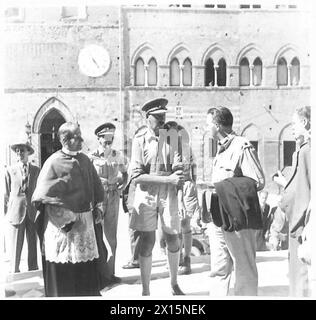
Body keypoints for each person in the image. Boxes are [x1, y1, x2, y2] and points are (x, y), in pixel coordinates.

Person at [32, 122, 104, 297]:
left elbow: (96, 188)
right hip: (62, 227)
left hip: (84, 226)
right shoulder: (53, 163)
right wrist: (65, 217)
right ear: (65, 140)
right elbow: (42, 197)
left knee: (84, 276)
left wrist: (98, 207)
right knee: (63, 276)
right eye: (77, 137)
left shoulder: (85, 160)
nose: (81, 140)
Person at [206, 106, 265, 296]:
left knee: (244, 268)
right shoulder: (221, 149)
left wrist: (224, 187)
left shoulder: (241, 145)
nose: (207, 129)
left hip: (237, 217)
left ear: (217, 126)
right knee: (218, 269)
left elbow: (257, 181)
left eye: (208, 125)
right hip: (218, 217)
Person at [128, 97, 185, 296]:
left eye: (163, 118)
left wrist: (178, 184)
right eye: (157, 118)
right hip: (147, 196)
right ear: (147, 119)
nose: (161, 122)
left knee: (173, 238)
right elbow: (137, 177)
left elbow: (179, 169)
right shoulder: (139, 141)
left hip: (168, 196)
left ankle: (174, 283)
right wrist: (168, 180)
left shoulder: (173, 138)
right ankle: (145, 290)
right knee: (147, 241)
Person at [273, 106, 311, 297]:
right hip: (297, 221)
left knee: (302, 280)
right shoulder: (303, 150)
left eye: (294, 124)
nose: (292, 129)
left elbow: (306, 190)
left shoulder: (307, 151)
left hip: (302, 223)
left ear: (304, 122)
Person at [90, 122, 128, 284]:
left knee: (111, 236)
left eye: (110, 140)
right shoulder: (91, 157)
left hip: (112, 196)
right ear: (98, 139)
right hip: (97, 199)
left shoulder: (117, 155)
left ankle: (110, 273)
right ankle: (97, 274)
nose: (108, 143)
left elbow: (126, 174)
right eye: (105, 140)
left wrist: (121, 187)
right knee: (96, 235)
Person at [4, 141, 40, 273]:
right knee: (16, 246)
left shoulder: (36, 170)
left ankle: (33, 271)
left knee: (32, 246)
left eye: (22, 150)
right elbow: (7, 193)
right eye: (17, 151)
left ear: (28, 153)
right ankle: (14, 271)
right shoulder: (10, 171)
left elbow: (39, 189)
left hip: (31, 211)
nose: (19, 153)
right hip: (16, 212)